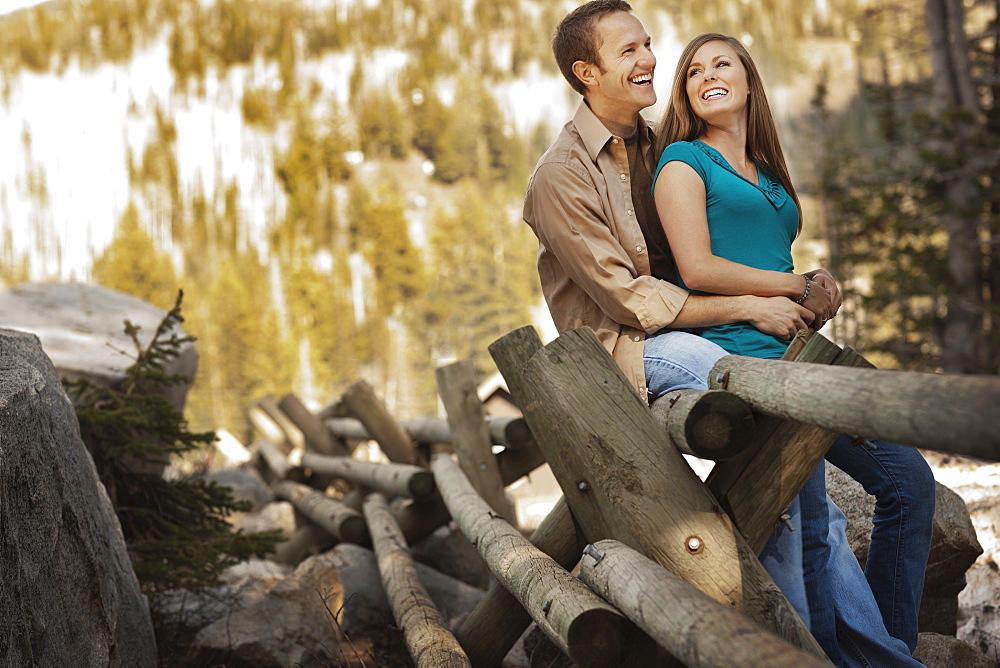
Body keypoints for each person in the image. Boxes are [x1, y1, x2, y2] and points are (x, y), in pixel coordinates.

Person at [522, 1, 934, 664]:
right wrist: (749, 305)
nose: (650, 59)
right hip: (625, 356)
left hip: (700, 331)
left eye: (648, 44)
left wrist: (785, 290)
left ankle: (869, 653)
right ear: (585, 72)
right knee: (780, 456)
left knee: (819, 497)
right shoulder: (560, 177)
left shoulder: (657, 149)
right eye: (628, 50)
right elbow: (631, 303)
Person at [650, 32, 934, 663]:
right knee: (806, 525)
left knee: (910, 482)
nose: (707, 75)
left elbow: (764, 257)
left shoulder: (771, 175)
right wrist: (799, 281)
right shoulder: (681, 161)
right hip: (739, 363)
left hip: (803, 359)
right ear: (686, 94)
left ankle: (890, 649)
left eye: (722, 63)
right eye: (694, 70)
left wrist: (808, 289)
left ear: (750, 81)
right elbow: (697, 268)